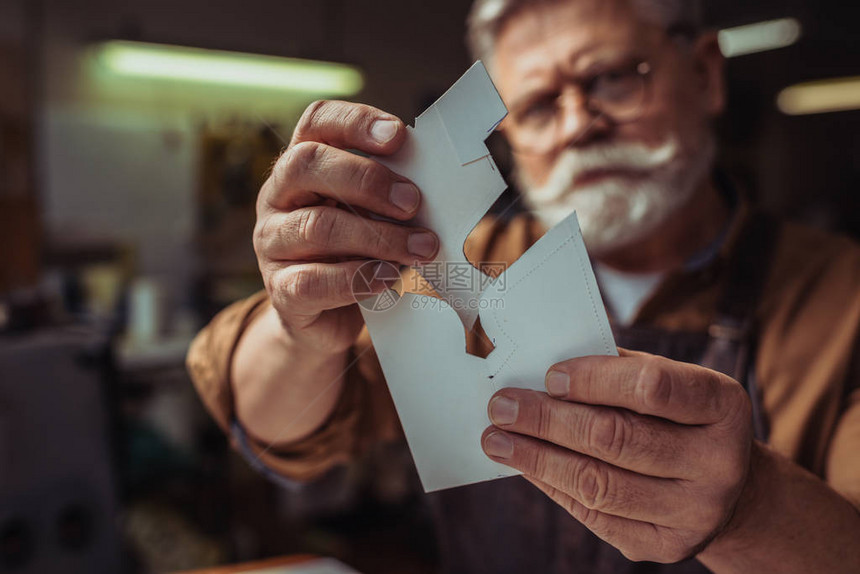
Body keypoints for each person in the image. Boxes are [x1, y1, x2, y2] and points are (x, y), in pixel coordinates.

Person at [187, 0, 860, 571]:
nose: (577, 126)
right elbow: (274, 427)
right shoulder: (454, 267)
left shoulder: (842, 298)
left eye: (615, 79)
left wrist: (754, 505)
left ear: (707, 74)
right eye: (538, 107)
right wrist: (298, 330)